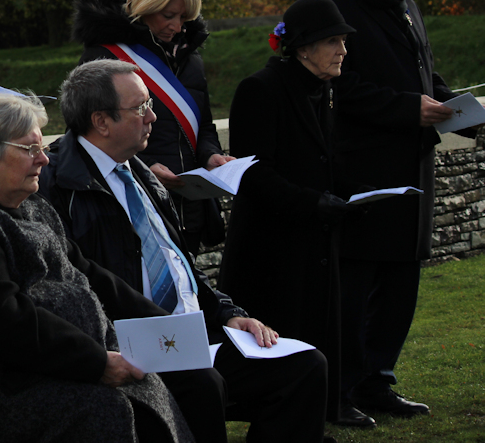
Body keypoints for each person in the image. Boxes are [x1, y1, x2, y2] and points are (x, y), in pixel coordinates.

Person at [38, 59, 330, 443]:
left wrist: (228, 313)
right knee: (202, 385)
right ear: (101, 121)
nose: (153, 117)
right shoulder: (58, 185)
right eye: (141, 107)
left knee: (305, 365)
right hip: (134, 341)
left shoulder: (140, 173)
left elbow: (180, 265)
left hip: (192, 334)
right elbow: (70, 284)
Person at [0, 93, 193, 443]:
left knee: (171, 384)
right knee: (104, 408)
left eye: (42, 147)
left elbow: (88, 274)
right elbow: (3, 321)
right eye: (29, 149)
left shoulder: (29, 204)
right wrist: (97, 363)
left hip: (35, 364)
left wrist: (170, 327)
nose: (44, 159)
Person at [318, 0, 477, 418]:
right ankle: (338, 392)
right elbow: (336, 87)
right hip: (362, 174)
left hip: (414, 169)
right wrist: (409, 108)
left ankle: (377, 383)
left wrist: (465, 111)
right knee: (355, 290)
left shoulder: (406, 6)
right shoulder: (331, 8)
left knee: (400, 289)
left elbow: (424, 72)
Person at [220, 0, 369, 426]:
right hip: (273, 247)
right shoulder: (260, 90)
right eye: (334, 41)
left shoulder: (322, 89)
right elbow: (253, 174)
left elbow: (323, 162)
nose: (343, 50)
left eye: (344, 40)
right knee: (283, 338)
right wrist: (313, 203)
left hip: (314, 240)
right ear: (302, 48)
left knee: (319, 330)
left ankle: (319, 414)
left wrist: (360, 194)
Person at [72, 0, 231, 255]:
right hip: (135, 208)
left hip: (191, 213)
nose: (178, 27)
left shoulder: (191, 57)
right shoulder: (104, 55)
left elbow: (204, 127)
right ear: (145, 4)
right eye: (168, 15)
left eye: (184, 18)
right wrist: (143, 171)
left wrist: (211, 157)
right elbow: (86, 139)